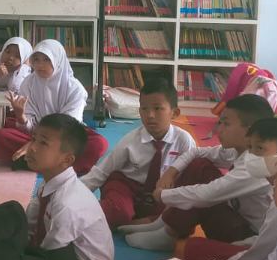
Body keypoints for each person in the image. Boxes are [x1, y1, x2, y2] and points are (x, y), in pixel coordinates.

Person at [123, 94, 276, 252]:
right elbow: (196, 152)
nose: (218, 130)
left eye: (226, 124)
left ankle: (169, 232)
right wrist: (171, 172)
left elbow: (207, 194)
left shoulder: (255, 164)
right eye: (220, 123)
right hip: (234, 218)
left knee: (193, 247)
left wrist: (162, 195)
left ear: (249, 131)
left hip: (248, 235)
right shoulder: (236, 150)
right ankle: (165, 224)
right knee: (199, 165)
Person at [0, 114, 115, 260]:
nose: (32, 147)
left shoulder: (67, 203)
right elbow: (30, 225)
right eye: (34, 139)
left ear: (67, 159)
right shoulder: (49, 185)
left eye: (43, 143)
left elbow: (53, 258)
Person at [181, 118, 277, 260]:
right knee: (192, 252)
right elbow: (268, 240)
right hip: (260, 248)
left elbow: (261, 258)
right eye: (250, 148)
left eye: (260, 149)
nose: (251, 156)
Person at [80, 80, 197, 228]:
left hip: (160, 194)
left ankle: (142, 223)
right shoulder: (131, 140)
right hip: (127, 187)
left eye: (157, 108)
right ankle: (96, 215)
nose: (150, 115)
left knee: (184, 216)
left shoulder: (184, 140)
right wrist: (75, 194)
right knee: (118, 212)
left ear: (174, 113)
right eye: (144, 109)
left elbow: (190, 180)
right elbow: (101, 171)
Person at [0, 39, 107, 176]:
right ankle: (55, 163)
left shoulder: (75, 88)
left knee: (98, 143)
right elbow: (29, 126)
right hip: (37, 132)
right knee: (0, 136)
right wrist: (21, 116)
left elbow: (70, 126)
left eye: (46, 60)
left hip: (65, 136)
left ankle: (33, 160)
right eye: (36, 60)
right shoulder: (28, 83)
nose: (40, 65)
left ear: (57, 60)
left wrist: (35, 143)